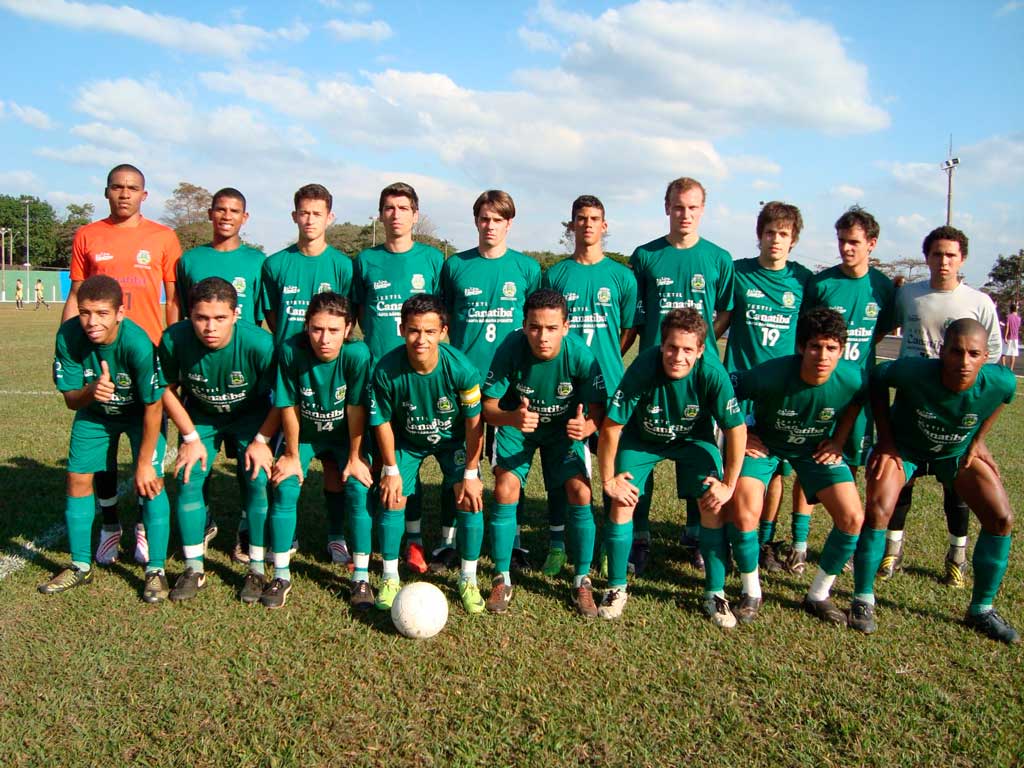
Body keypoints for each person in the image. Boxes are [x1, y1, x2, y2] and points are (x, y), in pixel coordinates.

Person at [853, 319, 1018, 644]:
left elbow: (1004, 398)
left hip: (955, 454)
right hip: (906, 450)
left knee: (1002, 518)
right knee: (878, 510)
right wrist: (885, 439)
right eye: (956, 352)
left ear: (986, 356)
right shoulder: (913, 371)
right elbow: (876, 378)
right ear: (942, 352)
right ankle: (862, 599)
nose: (964, 361)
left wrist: (977, 441)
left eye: (974, 354)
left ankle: (981, 609)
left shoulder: (1000, 381)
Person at [67, 164, 182, 568]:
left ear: (144, 195)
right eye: (117, 187)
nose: (124, 194)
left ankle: (145, 529)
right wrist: (66, 340)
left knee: (147, 448)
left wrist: (172, 352)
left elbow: (172, 300)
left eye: (132, 188)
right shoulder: (88, 235)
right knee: (102, 449)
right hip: (100, 355)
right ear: (106, 191)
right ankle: (110, 525)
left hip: (145, 355)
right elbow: (78, 292)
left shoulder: (164, 238)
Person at [597, 308, 745, 621]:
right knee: (623, 499)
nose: (678, 356)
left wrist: (729, 485)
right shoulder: (644, 366)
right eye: (672, 347)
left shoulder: (711, 373)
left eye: (688, 349)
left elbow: (736, 428)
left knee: (713, 502)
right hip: (643, 439)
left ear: (701, 350)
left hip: (694, 441)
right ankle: (616, 587)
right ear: (661, 345)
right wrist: (608, 480)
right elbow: (611, 426)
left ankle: (715, 593)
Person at [620, 177, 735, 573]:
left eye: (693, 207)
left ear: (703, 210)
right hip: (654, 374)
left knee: (699, 455)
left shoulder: (719, 258)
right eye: (678, 206)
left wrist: (698, 348)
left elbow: (726, 310)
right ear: (666, 207)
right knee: (640, 452)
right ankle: (639, 535)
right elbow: (635, 313)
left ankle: (695, 533)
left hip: (698, 380)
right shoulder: (646, 255)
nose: (685, 214)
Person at [728, 308, 867, 627]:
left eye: (832, 348)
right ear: (801, 347)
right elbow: (725, 391)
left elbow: (858, 400)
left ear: (842, 350)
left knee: (852, 518)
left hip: (813, 450)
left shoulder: (853, 377)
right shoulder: (769, 374)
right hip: (766, 446)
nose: (823, 355)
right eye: (815, 346)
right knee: (745, 509)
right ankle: (751, 592)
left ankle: (818, 595)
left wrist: (838, 440)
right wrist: (744, 432)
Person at [881, 226, 1002, 587]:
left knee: (957, 485)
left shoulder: (979, 302)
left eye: (950, 255)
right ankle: (892, 550)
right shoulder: (909, 296)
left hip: (955, 407)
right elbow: (884, 328)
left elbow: (991, 362)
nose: (943, 261)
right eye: (936, 254)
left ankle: (957, 555)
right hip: (912, 403)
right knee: (902, 481)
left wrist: (977, 427)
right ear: (927, 257)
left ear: (962, 259)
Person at [40, 275, 171, 602]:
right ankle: (80, 565)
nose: (91, 321)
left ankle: (156, 570)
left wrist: (143, 464)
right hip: (95, 415)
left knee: (151, 483)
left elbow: (154, 407)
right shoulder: (69, 336)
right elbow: (71, 399)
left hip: (141, 415)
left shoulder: (137, 343)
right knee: (77, 479)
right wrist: (91, 390)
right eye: (85, 312)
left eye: (101, 313)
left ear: (119, 313)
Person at [482, 289, 605, 616]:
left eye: (551, 328)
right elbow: (487, 408)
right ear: (524, 325)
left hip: (564, 428)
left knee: (579, 490)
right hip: (516, 424)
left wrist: (588, 428)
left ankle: (582, 579)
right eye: (535, 327)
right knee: (505, 487)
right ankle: (502, 576)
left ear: (566, 326)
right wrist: (512, 418)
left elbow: (598, 411)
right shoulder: (511, 347)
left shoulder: (580, 354)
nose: (542, 336)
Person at [158, 278, 277, 603]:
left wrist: (262, 440)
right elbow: (164, 389)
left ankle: (255, 568)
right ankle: (194, 567)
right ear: (189, 316)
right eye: (201, 318)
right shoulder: (174, 339)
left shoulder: (259, 344)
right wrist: (190, 436)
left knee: (256, 477)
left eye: (220, 318)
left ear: (236, 314)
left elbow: (282, 399)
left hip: (251, 416)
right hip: (201, 416)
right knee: (187, 476)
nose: (210, 327)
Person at [440, 190, 541, 573]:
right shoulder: (456, 267)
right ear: (476, 221)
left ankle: (511, 541)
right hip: (464, 383)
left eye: (498, 219)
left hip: (510, 387)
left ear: (509, 223)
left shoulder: (528, 269)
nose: (490, 226)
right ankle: (449, 540)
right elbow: (445, 317)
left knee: (507, 466)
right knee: (458, 465)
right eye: (484, 218)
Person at [794, 206, 894, 573]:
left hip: (858, 394)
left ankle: (845, 542)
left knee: (850, 463)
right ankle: (799, 544)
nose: (846, 249)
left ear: (871, 243)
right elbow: (804, 335)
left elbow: (879, 331)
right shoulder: (822, 284)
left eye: (853, 242)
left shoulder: (882, 287)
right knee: (810, 460)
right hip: (820, 389)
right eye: (841, 241)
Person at [351, 182, 444, 574]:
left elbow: (442, 319)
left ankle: (415, 538)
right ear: (380, 214)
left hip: (418, 378)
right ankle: (375, 535)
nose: (395, 215)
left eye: (403, 208)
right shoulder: (364, 260)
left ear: (415, 215)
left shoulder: (434, 259)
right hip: (379, 377)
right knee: (378, 460)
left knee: (409, 460)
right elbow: (354, 314)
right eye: (388, 208)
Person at [370, 294, 484, 612]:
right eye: (414, 330)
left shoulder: (461, 368)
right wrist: (390, 470)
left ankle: (468, 578)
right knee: (392, 496)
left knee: (470, 497)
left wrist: (472, 473)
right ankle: (390, 577)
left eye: (430, 331)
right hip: (407, 441)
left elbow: (476, 424)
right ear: (402, 328)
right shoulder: (386, 369)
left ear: (443, 331)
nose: (421, 339)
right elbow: (381, 422)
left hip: (453, 442)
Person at [542, 195, 636, 576]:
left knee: (617, 468)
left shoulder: (621, 276)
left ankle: (612, 543)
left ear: (605, 225)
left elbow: (628, 331)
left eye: (594, 218)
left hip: (610, 388)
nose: (587, 225)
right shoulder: (556, 275)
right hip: (565, 388)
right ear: (571, 225)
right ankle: (557, 541)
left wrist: (606, 359)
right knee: (562, 467)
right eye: (580, 218)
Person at [720, 201, 813, 575]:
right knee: (734, 464)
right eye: (770, 232)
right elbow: (722, 322)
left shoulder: (803, 281)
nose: (776, 240)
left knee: (777, 471)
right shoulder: (739, 273)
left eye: (784, 234)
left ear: (794, 241)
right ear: (759, 234)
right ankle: (728, 537)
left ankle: (766, 541)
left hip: (783, 393)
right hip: (741, 388)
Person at [176, 186, 267, 565]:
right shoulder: (190, 260)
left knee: (253, 469)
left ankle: (248, 527)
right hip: (203, 376)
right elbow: (183, 315)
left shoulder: (259, 261)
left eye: (235, 211)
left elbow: (262, 316)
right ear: (210, 214)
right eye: (220, 210)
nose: (227, 216)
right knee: (196, 465)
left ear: (245, 218)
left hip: (244, 378)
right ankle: (205, 518)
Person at [269, 293, 375, 610]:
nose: (324, 339)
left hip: (345, 436)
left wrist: (356, 458)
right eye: (316, 329)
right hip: (305, 435)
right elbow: (288, 404)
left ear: (348, 328)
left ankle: (360, 576)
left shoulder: (357, 355)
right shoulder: (290, 350)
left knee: (357, 486)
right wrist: (289, 454)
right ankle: (280, 574)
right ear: (306, 327)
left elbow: (357, 409)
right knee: (284, 485)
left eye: (332, 330)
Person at [260, 183, 353, 348]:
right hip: (288, 359)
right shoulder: (274, 264)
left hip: (325, 360)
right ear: (294, 216)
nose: (310, 220)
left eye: (317, 214)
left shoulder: (343, 265)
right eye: (304, 213)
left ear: (329, 218)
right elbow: (272, 316)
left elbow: (347, 316)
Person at [1002, 303, 1020, 370]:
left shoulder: (1008, 317)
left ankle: (1004, 368)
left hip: (1009, 337)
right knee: (1013, 353)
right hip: (1015, 338)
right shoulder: (1019, 318)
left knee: (1003, 353)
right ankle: (1011, 369)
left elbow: (1007, 327)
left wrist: (1005, 337)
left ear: (1010, 309)